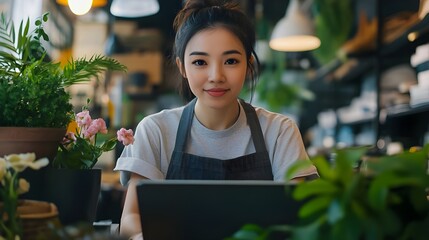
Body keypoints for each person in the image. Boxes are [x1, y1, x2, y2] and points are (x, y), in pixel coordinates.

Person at [114, 0, 318, 238]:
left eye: (231, 61)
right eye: (200, 62)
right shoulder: (156, 131)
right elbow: (131, 218)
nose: (216, 76)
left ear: (248, 65)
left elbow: (299, 218)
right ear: (182, 67)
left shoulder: (280, 131)